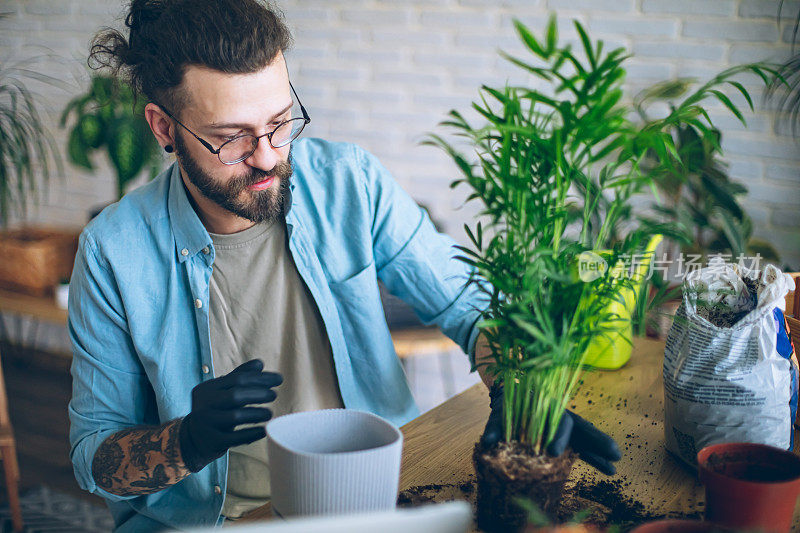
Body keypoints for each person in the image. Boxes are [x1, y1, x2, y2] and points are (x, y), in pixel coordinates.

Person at [67, 1, 620, 530]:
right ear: (164, 128)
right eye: (230, 138)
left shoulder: (349, 181)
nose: (267, 155)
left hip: (380, 501)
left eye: (280, 123)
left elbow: (469, 304)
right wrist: (185, 441)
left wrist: (519, 391)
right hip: (222, 523)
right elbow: (94, 457)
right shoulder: (112, 252)